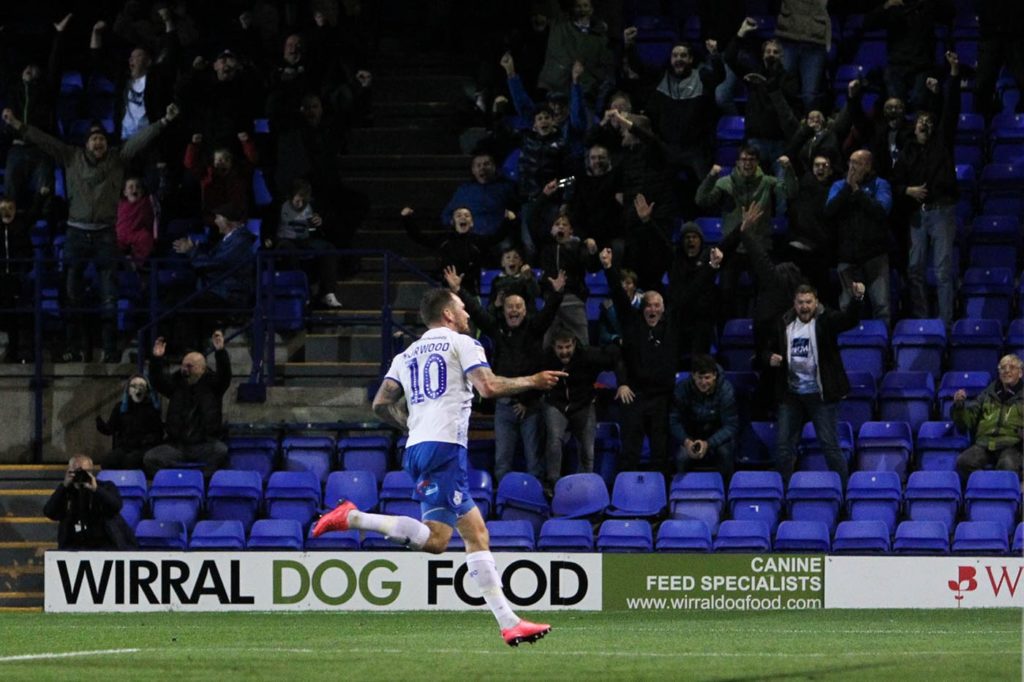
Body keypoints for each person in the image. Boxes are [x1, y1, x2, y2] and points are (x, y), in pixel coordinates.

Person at [314, 287, 565, 647]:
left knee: (476, 533)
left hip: (418, 446)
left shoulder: (407, 353)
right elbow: (489, 387)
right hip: (445, 449)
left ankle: (509, 622)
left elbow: (381, 404)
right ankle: (353, 518)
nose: (466, 313)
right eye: (462, 307)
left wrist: (412, 426)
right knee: (436, 540)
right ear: (448, 314)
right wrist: (533, 380)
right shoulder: (462, 344)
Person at [1, 102, 179, 362]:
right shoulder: (71, 156)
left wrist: (163, 121)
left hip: (105, 235)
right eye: (93, 138)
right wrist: (18, 125)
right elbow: (44, 140)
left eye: (101, 139)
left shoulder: (118, 158)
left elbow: (140, 140)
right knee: (72, 294)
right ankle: (73, 348)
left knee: (109, 294)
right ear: (86, 143)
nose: (98, 143)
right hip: (76, 234)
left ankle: (109, 349)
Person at [446, 264, 564, 483]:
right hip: (504, 406)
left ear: (525, 309)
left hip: (530, 406)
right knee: (502, 461)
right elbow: (478, 313)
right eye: (510, 306)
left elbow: (548, 313)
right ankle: (502, 502)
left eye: (519, 306)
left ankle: (533, 500)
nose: (514, 310)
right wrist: (459, 290)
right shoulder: (497, 327)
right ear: (504, 309)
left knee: (534, 462)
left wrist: (557, 294)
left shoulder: (534, 328)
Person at [764, 282, 866, 485]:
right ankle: (782, 495)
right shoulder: (784, 322)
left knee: (830, 447)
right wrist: (769, 357)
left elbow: (849, 320)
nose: (804, 306)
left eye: (809, 302)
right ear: (794, 303)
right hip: (791, 394)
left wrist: (856, 300)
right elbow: (766, 348)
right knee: (784, 448)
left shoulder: (826, 319)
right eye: (800, 302)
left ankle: (844, 493)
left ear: (816, 302)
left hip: (821, 395)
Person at [891, 52, 961, 327]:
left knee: (943, 270)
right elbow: (894, 182)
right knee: (914, 268)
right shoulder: (907, 152)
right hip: (917, 216)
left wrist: (953, 75)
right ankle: (922, 319)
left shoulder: (941, 143)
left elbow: (951, 109)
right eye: (920, 120)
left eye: (928, 121)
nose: (924, 124)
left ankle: (944, 322)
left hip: (942, 210)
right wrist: (907, 190)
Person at [600, 247, 682, 476]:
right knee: (630, 451)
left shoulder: (672, 326)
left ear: (663, 308)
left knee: (660, 452)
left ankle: (659, 501)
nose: (652, 309)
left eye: (657, 305)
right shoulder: (632, 322)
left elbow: (693, 292)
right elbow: (618, 294)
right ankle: (626, 495)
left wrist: (712, 266)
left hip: (662, 397)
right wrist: (608, 267)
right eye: (648, 305)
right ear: (642, 308)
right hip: (635, 395)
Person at [142, 332, 231, 478]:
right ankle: (173, 482)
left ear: (202, 369)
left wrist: (220, 352)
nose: (184, 369)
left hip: (204, 444)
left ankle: (200, 483)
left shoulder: (213, 386)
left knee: (221, 451)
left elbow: (225, 376)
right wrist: (157, 359)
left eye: (189, 366)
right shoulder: (176, 384)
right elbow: (158, 382)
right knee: (150, 458)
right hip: (178, 446)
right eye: (183, 365)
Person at [542, 328, 621, 493]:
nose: (565, 352)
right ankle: (553, 485)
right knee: (554, 442)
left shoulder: (587, 356)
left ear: (574, 344)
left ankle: (584, 487)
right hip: (556, 404)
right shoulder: (545, 358)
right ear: (553, 347)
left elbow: (613, 358)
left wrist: (615, 344)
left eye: (568, 347)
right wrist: (524, 402)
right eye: (560, 348)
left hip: (583, 404)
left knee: (587, 448)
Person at [171, 205, 256, 353]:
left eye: (218, 218)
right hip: (218, 289)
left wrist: (191, 251)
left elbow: (216, 264)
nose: (215, 221)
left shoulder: (240, 240)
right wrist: (197, 248)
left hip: (229, 294)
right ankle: (170, 348)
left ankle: (190, 350)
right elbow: (213, 258)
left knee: (188, 304)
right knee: (173, 297)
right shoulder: (229, 239)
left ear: (229, 221)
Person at [824, 149, 894, 329]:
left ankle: (882, 349)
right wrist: (848, 189)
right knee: (847, 306)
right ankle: (849, 348)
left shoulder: (881, 185)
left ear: (868, 166)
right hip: (847, 257)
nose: (852, 167)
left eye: (857, 163)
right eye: (850, 162)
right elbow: (829, 211)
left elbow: (881, 211)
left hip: (875, 256)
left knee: (881, 306)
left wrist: (858, 192)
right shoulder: (839, 186)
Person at [951, 354, 1024, 487]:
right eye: (1003, 368)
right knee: (963, 461)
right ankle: (984, 488)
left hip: (1011, 444)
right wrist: (959, 406)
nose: (1007, 371)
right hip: (984, 444)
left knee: (1007, 464)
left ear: (1020, 373)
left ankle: (1001, 498)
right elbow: (967, 422)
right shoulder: (987, 394)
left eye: (1012, 367)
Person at [669, 354, 739, 483]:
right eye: (699, 378)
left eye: (707, 378)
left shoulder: (726, 391)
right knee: (681, 457)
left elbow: (731, 426)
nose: (703, 382)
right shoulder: (682, 389)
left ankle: (725, 493)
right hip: (690, 436)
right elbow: (674, 421)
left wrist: (708, 444)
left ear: (714, 375)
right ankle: (683, 494)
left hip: (717, 437)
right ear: (693, 375)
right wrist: (687, 442)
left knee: (725, 453)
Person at [43, 454, 136, 550]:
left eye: (85, 472)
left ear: (92, 472)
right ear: (68, 472)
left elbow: (116, 506)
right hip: (73, 545)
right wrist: (64, 486)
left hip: (104, 544)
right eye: (76, 472)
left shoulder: (105, 486)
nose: (81, 475)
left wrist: (96, 489)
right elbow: (50, 512)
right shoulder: (65, 491)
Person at [276, 179, 342, 309]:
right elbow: (269, 228)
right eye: (297, 201)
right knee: (288, 249)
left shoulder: (312, 206)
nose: (300, 205)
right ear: (291, 197)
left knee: (329, 249)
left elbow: (318, 229)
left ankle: (328, 293)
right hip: (285, 240)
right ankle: (301, 292)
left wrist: (319, 223)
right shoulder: (280, 206)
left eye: (304, 201)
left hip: (305, 240)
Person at [95, 373, 164, 469]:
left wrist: (146, 440)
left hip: (143, 447)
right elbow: (111, 428)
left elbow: (158, 433)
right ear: (128, 390)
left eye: (141, 386)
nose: (137, 389)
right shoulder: (121, 407)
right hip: (125, 447)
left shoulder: (151, 408)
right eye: (134, 386)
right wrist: (100, 424)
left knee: (130, 461)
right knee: (108, 462)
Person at [116, 176, 158, 271]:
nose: (135, 189)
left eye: (138, 187)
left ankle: (137, 265)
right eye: (131, 187)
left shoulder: (146, 202)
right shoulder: (119, 204)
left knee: (146, 238)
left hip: (138, 233)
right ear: (125, 192)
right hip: (121, 235)